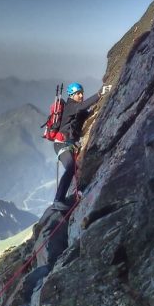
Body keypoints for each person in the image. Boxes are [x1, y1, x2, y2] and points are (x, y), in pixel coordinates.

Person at [52, 81, 112, 211]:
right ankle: (58, 200)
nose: (81, 96)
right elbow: (81, 107)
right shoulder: (70, 107)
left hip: (69, 145)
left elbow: (87, 111)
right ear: (72, 95)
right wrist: (99, 93)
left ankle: (76, 194)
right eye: (78, 94)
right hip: (61, 144)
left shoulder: (77, 110)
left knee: (76, 169)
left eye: (82, 93)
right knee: (70, 167)